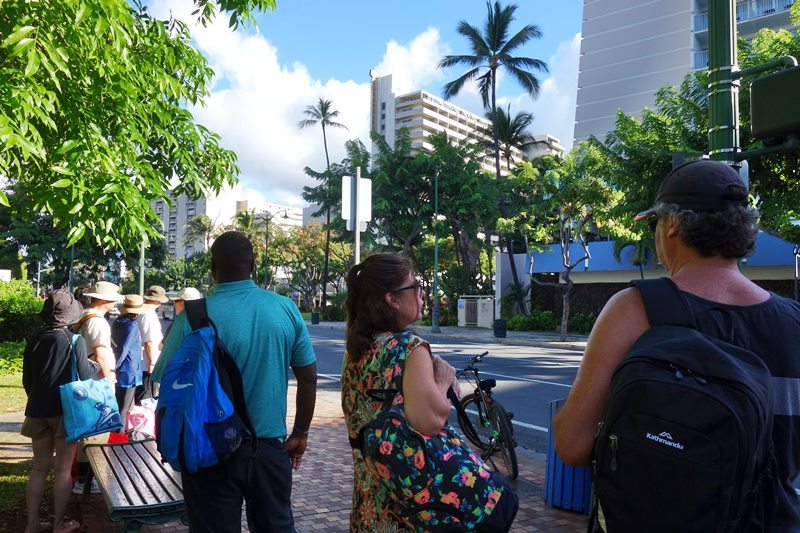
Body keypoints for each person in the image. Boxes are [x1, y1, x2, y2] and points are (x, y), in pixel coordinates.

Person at [552, 159, 800, 530]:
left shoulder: (634, 309)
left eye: (654, 223)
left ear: (671, 226)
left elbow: (572, 444)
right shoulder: (795, 321)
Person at [152, 231, 317, 532]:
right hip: (268, 450)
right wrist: (301, 434)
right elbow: (308, 380)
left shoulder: (193, 315)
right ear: (253, 265)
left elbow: (167, 380)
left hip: (208, 448)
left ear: (212, 266)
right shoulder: (285, 308)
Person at [341, 253, 519, 532]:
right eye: (415, 286)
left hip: (369, 504)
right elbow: (432, 419)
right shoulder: (409, 348)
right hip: (413, 514)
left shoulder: (356, 351)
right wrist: (445, 378)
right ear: (392, 299)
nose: (423, 293)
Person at [21, 290, 95, 533]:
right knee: (63, 470)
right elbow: (85, 377)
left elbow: (27, 380)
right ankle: (59, 525)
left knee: (39, 469)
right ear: (70, 315)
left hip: (37, 410)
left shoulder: (35, 339)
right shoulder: (75, 341)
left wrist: (38, 398)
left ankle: (32, 524)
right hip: (66, 412)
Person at [71, 280, 121, 494]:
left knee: (88, 430)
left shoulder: (84, 316)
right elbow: (100, 354)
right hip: (97, 382)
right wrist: (109, 380)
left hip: (85, 379)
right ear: (105, 300)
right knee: (96, 432)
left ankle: (83, 478)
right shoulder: (97, 322)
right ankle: (86, 480)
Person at [111, 295, 150, 428]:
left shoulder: (117, 322)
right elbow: (125, 348)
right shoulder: (132, 326)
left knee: (119, 403)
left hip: (121, 369)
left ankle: (117, 433)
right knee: (124, 408)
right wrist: (116, 366)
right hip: (129, 371)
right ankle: (119, 436)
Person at [136, 285, 166, 401]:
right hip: (147, 363)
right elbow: (149, 341)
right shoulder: (148, 314)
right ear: (158, 301)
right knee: (146, 398)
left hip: (143, 362)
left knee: (144, 395)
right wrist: (153, 363)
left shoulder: (142, 312)